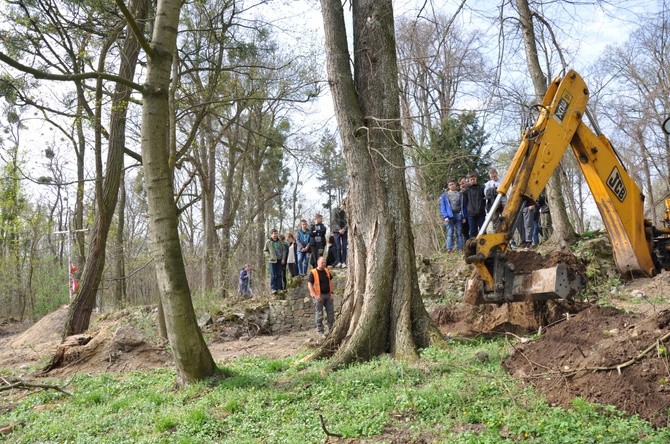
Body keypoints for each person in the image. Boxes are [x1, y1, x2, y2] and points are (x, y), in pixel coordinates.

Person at [307, 256, 335, 337]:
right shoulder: (313, 272)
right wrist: (315, 295)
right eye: (322, 262)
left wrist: (331, 294)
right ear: (318, 263)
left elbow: (330, 282)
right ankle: (320, 332)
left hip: (328, 296)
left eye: (325, 262)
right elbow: (310, 285)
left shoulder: (326, 271)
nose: (324, 264)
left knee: (331, 313)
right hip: (318, 296)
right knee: (319, 314)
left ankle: (331, 330)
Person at [439, 179, 465, 253]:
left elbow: (462, 206)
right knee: (450, 233)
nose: (451, 186)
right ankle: (449, 249)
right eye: (450, 185)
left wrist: (463, 217)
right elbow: (442, 206)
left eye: (452, 184)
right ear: (448, 186)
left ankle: (460, 249)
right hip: (449, 216)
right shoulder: (445, 195)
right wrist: (445, 216)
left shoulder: (460, 194)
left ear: (455, 185)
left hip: (458, 215)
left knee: (459, 233)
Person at [463, 173, 486, 238]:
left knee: (483, 230)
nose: (472, 180)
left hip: (481, 213)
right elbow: (465, 202)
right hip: (471, 214)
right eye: (471, 179)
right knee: (473, 231)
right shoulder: (466, 190)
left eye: (473, 179)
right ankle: (474, 247)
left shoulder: (482, 188)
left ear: (476, 178)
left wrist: (482, 207)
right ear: (469, 180)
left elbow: (484, 200)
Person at [484, 168, 506, 232]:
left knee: (505, 220)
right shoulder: (488, 184)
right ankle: (496, 234)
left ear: (496, 174)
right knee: (495, 221)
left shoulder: (502, 181)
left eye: (494, 176)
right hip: (493, 205)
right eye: (492, 177)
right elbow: (486, 192)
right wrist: (494, 190)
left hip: (503, 203)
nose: (493, 178)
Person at [263, 229, 284, 294]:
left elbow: (283, 250)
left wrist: (283, 258)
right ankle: (273, 288)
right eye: (274, 234)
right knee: (273, 275)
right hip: (272, 261)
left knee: (279, 274)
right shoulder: (268, 242)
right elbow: (265, 250)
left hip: (279, 260)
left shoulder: (280, 241)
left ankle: (279, 288)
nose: (275, 235)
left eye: (276, 233)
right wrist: (269, 257)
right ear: (271, 234)